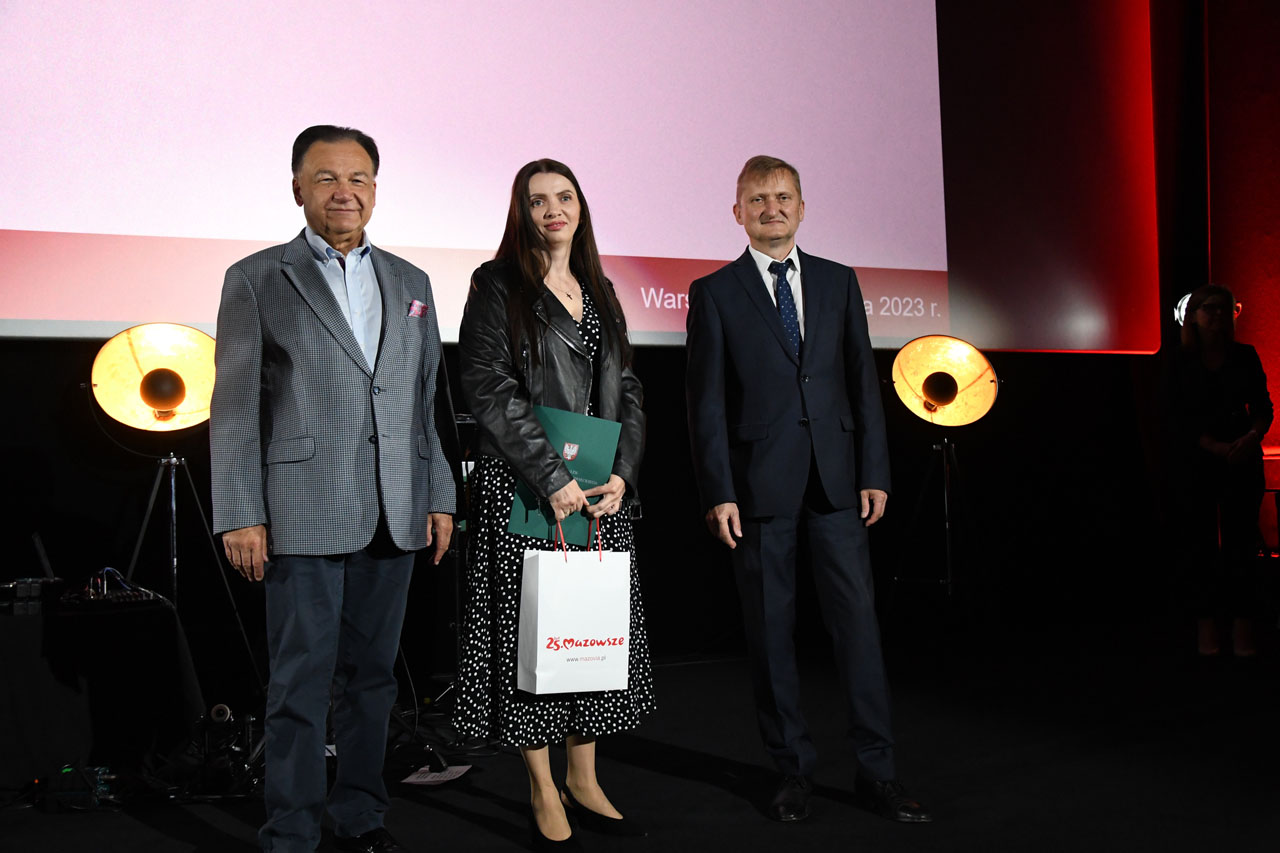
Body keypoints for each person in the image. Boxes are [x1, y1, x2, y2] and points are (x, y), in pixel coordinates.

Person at [210, 125, 457, 853]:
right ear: (298, 189)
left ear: (375, 189)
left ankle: (360, 816)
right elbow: (234, 408)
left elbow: (425, 401)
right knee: (300, 686)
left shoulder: (412, 282)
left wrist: (439, 493)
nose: (344, 192)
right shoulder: (256, 278)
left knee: (374, 681)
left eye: (358, 178)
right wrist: (240, 513)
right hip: (301, 513)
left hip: (396, 509)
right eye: (326, 178)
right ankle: (290, 831)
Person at [684, 155, 930, 824]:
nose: (772, 208)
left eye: (783, 196)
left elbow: (861, 382)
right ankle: (792, 771)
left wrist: (874, 471)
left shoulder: (838, 281)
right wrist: (718, 489)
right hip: (757, 490)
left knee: (859, 631)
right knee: (771, 636)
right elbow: (705, 403)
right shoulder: (714, 292)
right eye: (758, 199)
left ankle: (878, 772)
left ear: (801, 206)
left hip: (837, 485)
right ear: (738, 211)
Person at [455, 159, 655, 850]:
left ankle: (585, 778)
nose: (552, 210)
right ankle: (543, 786)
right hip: (527, 490)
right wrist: (549, 473)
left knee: (589, 635)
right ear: (522, 211)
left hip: (598, 494)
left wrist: (623, 473)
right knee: (533, 637)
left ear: (580, 206)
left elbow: (629, 388)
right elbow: (487, 384)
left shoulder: (600, 288)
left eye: (563, 196)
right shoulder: (497, 283)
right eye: (537, 200)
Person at [1170, 284, 1272, 656]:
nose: (1215, 314)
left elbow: (1263, 408)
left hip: (1240, 459)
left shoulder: (1245, 356)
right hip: (1198, 462)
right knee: (1198, 546)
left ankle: (1241, 628)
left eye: (1222, 308)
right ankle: (1208, 629)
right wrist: (1216, 446)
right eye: (1208, 308)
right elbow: (1176, 417)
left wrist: (1250, 438)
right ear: (1193, 316)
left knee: (1241, 546)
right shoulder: (1181, 362)